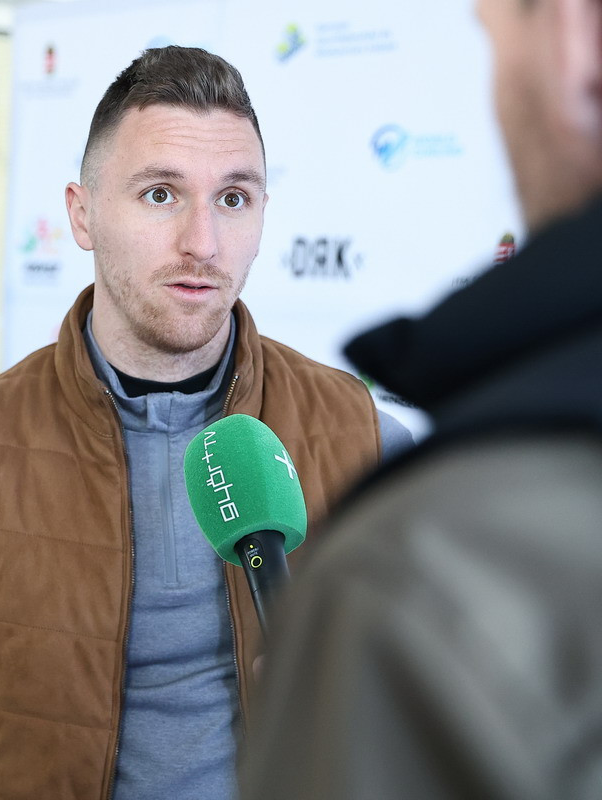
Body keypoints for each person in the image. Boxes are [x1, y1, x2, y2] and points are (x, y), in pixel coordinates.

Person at [0, 46, 412, 800]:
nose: (203, 242)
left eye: (234, 198)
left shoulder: (371, 447)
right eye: (161, 194)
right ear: (83, 214)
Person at [240, 1, 602, 798]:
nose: (200, 239)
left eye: (495, 35)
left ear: (578, 38)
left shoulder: (419, 570)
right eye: (159, 195)